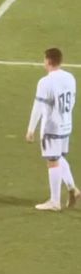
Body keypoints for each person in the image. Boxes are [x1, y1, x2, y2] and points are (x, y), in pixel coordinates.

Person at [26, 48, 79, 211]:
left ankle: (55, 202)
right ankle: (73, 189)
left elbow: (38, 106)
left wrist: (30, 129)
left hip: (52, 127)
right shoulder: (70, 77)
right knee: (59, 158)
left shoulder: (45, 82)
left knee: (52, 161)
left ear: (48, 61)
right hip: (66, 125)